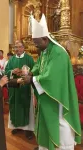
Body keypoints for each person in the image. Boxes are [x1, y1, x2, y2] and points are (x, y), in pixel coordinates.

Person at [23, 14, 81, 150]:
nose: (35, 46)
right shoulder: (45, 50)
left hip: (58, 96)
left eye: (37, 42)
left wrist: (32, 79)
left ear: (45, 39)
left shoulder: (58, 53)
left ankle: (63, 146)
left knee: (61, 122)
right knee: (47, 121)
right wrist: (31, 72)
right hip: (48, 95)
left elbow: (52, 77)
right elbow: (40, 66)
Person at [5, 40, 35, 140]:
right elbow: (6, 71)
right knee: (15, 106)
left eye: (19, 47)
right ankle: (16, 126)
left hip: (25, 88)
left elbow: (35, 70)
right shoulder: (11, 59)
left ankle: (28, 129)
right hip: (15, 88)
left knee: (26, 107)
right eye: (15, 47)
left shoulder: (29, 58)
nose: (17, 49)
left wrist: (27, 73)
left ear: (23, 47)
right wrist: (12, 71)